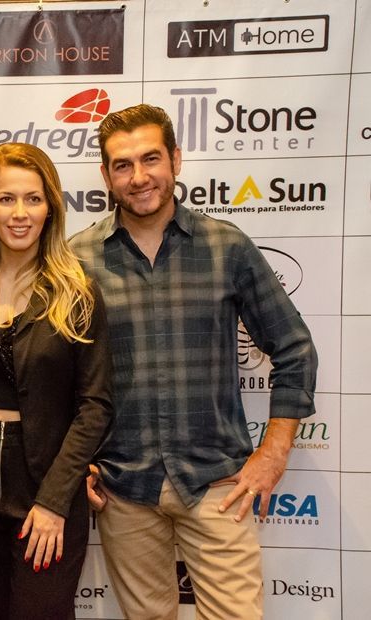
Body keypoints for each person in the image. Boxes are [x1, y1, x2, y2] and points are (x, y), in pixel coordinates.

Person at [70, 104, 318, 619]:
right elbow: (59, 376)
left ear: (176, 160)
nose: (139, 177)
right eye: (122, 165)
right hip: (123, 488)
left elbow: (294, 348)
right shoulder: (78, 259)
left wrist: (273, 452)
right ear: (105, 175)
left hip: (217, 484)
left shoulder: (227, 247)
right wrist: (77, 462)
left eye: (150, 159)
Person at [0, 143, 113, 619]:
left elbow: (95, 405)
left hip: (44, 485)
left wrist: (56, 499)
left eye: (33, 199)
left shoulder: (77, 291)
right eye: (6, 199)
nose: (20, 213)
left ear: (51, 207)